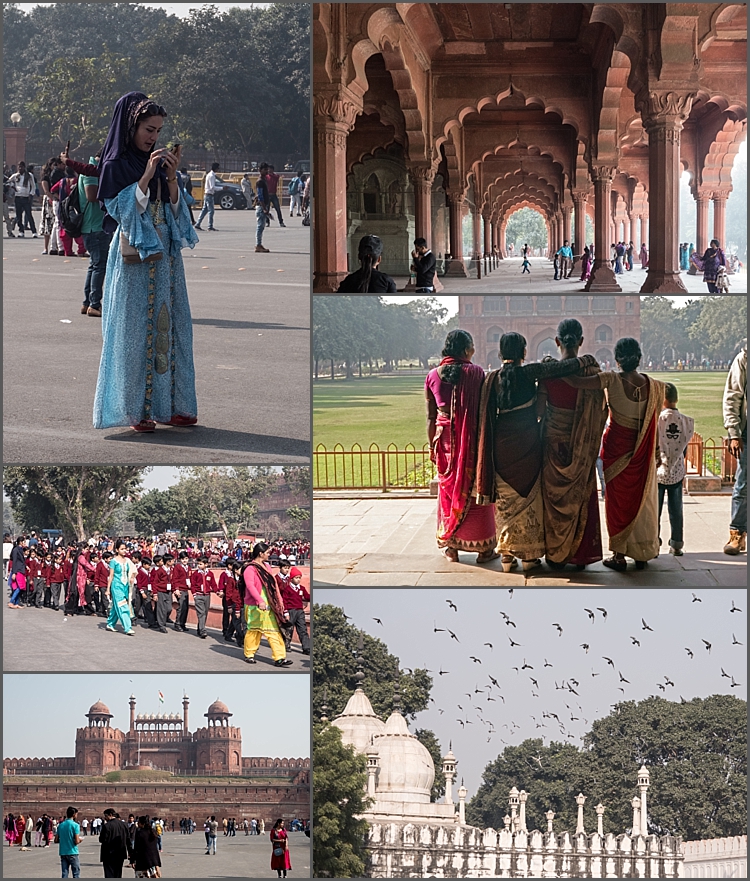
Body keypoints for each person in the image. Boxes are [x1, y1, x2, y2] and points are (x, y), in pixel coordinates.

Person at [94, 91, 199, 433]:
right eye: (149, 130)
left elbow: (177, 212)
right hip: (133, 259)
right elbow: (119, 211)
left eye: (158, 131)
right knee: (134, 331)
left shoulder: (158, 164)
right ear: (131, 127)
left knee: (173, 327)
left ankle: (174, 407)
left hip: (165, 259)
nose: (154, 138)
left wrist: (170, 177)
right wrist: (145, 175)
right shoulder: (116, 165)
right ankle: (135, 410)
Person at [475, 333, 597, 572]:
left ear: (500, 354)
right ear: (523, 353)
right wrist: (585, 361)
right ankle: (529, 556)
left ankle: (507, 556)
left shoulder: (492, 379)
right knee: (527, 499)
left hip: (500, 445)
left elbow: (486, 418)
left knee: (505, 502)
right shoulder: (530, 372)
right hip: (528, 442)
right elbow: (565, 367)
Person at [563, 337, 665, 570]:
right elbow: (655, 426)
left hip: (616, 453)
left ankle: (618, 555)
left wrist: (556, 367)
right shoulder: (657, 387)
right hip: (643, 452)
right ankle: (641, 552)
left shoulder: (610, 380)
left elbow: (576, 382)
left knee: (618, 503)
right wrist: (656, 452)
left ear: (617, 360)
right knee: (642, 500)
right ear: (639, 358)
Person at [537, 319, 606, 569]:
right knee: (581, 496)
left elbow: (538, 411)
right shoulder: (591, 372)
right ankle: (580, 555)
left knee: (553, 500)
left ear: (556, 342)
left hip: (553, 445)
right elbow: (601, 411)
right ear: (581, 342)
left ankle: (556, 555)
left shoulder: (549, 373)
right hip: (582, 447)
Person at [425, 330, 497, 564]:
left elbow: (430, 417)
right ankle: (484, 548)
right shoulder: (476, 373)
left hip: (444, 440)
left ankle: (451, 547)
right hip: (472, 440)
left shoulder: (432, 375)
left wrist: (430, 448)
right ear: (467, 350)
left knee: (448, 491)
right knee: (475, 487)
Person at [656, 382, 694, 556]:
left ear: (662, 399)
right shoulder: (686, 422)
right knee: (676, 509)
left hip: (658, 471)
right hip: (677, 471)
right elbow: (684, 449)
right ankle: (677, 544)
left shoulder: (657, 420)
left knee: (654, 510)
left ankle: (653, 543)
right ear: (675, 399)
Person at [242, 542, 293, 666]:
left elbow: (273, 585)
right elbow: (250, 586)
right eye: (267, 553)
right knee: (254, 630)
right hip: (255, 605)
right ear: (261, 553)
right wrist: (259, 601)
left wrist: (280, 604)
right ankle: (249, 654)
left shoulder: (267, 567)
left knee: (274, 630)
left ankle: (279, 658)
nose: (269, 555)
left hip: (270, 603)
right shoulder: (250, 568)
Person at [78, 153, 112, 318]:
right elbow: (91, 195)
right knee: (99, 266)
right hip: (95, 226)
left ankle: (87, 303)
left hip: (93, 226)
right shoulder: (92, 170)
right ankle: (94, 304)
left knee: (94, 265)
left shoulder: (93, 169)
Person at [723, 343, 747, 554]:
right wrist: (734, 433)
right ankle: (737, 535)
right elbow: (733, 396)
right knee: (743, 486)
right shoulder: (744, 358)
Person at [106, 540, 135, 636]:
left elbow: (131, 572)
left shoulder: (127, 561)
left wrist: (131, 578)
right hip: (116, 586)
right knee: (123, 606)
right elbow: (111, 576)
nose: (124, 551)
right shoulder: (113, 561)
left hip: (125, 586)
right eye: (122, 549)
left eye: (125, 549)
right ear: (117, 550)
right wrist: (108, 589)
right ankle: (127, 627)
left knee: (116, 606)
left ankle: (110, 623)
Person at [279, 566, 310, 654]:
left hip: (300, 611)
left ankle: (306, 647)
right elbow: (284, 602)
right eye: (296, 578)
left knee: (302, 629)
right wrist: (286, 613)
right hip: (291, 611)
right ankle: (286, 645)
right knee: (289, 629)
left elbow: (307, 597)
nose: (298, 580)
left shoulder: (302, 588)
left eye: (299, 578)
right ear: (292, 578)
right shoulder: (287, 589)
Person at [8, 161, 38, 237]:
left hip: (26, 198)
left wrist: (31, 195)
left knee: (29, 215)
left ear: (24, 167)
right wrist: (13, 186)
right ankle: (21, 231)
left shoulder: (29, 175)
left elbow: (33, 186)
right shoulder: (15, 176)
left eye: (22, 167)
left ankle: (34, 232)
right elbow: (8, 181)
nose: (20, 168)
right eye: (19, 167)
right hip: (18, 197)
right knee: (19, 216)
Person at [190, 556, 217, 638]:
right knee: (201, 613)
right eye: (198, 564)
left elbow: (213, 584)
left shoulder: (210, 574)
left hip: (207, 595)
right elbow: (193, 585)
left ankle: (199, 628)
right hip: (199, 595)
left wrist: (217, 591)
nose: (199, 565)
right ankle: (202, 630)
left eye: (200, 564)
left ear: (206, 564)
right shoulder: (196, 574)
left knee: (205, 613)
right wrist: (194, 594)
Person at [99, 808, 130, 878]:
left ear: (110, 815)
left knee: (109, 874)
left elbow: (102, 839)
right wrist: (130, 853)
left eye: (106, 816)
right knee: (118, 873)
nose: (105, 818)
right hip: (120, 853)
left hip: (108, 854)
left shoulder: (106, 826)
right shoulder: (124, 825)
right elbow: (128, 839)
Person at [57, 806, 82, 879]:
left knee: (64, 873)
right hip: (72, 851)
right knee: (76, 873)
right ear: (74, 814)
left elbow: (56, 840)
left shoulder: (61, 825)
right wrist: (80, 840)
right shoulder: (75, 825)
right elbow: (77, 841)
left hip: (63, 852)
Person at [194, 162, 219, 231]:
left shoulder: (209, 174)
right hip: (209, 195)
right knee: (211, 211)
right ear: (216, 168)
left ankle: (198, 224)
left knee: (204, 210)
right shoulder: (211, 176)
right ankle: (210, 226)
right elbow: (212, 187)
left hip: (207, 194)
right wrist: (222, 188)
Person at [255, 163, 272, 252]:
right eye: (265, 170)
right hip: (261, 206)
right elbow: (260, 196)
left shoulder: (264, 180)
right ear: (260, 170)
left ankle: (259, 244)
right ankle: (258, 245)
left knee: (261, 226)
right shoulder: (260, 181)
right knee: (260, 226)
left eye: (267, 169)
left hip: (264, 205)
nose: (266, 171)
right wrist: (264, 208)